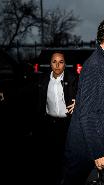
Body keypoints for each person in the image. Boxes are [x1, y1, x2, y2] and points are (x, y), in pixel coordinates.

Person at [61, 16, 104, 185]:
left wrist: (80, 100)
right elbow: (87, 115)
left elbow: (88, 93)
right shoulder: (96, 66)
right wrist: (98, 152)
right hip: (88, 147)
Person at [35, 51, 77, 185]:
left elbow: (86, 91)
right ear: (50, 63)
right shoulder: (43, 80)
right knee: (52, 157)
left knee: (69, 156)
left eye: (61, 62)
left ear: (65, 64)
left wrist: (79, 101)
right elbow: (27, 90)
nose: (57, 65)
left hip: (68, 123)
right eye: (54, 62)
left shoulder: (73, 78)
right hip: (50, 123)